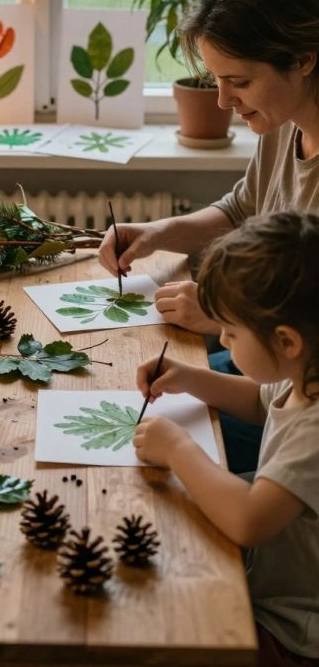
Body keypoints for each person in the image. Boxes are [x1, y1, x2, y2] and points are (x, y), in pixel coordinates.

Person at [98, 0, 319, 472]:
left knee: (149, 451)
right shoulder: (283, 121)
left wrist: (223, 313)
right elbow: (243, 209)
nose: (223, 101)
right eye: (216, 79)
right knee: (141, 371)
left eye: (237, 81)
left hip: (298, 385)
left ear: (303, 59)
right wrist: (158, 233)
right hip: (273, 366)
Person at [134, 211, 319, 667]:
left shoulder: (315, 430)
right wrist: (192, 378)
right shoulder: (304, 372)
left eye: (231, 334)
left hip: (293, 628)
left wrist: (179, 449)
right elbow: (260, 401)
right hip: (269, 579)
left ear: (286, 341)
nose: (224, 342)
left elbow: (248, 519)